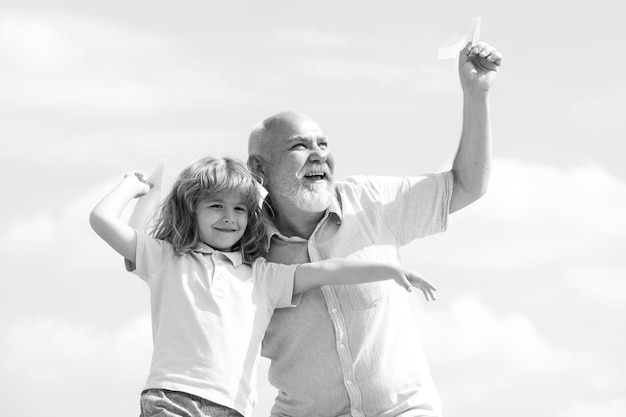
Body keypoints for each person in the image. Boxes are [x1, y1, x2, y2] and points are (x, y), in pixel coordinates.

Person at [246, 41, 502, 416]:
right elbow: (165, 269)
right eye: (299, 146)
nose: (318, 153)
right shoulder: (240, 246)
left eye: (323, 143)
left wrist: (476, 93)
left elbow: (467, 185)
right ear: (258, 169)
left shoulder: (371, 200)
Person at [89, 156, 438, 417]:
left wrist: (389, 268)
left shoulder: (262, 276)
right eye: (215, 206)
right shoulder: (168, 258)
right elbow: (102, 220)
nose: (229, 217)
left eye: (240, 209)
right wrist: (132, 187)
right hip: (172, 399)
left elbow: (326, 270)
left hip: (233, 408)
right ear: (191, 210)